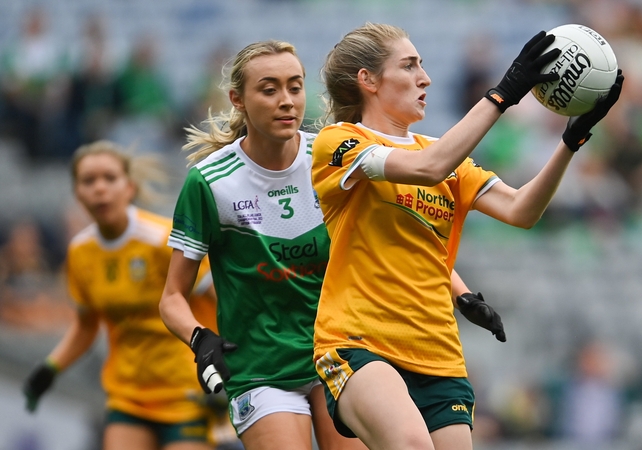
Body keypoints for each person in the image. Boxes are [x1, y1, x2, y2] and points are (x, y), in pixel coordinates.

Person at [160, 39, 500, 450]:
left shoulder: (333, 156)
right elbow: (173, 296)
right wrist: (200, 339)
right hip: (261, 369)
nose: (286, 101)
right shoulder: (211, 182)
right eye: (269, 90)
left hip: (340, 354)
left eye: (295, 86)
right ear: (238, 100)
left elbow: (398, 237)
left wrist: (461, 294)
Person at [309, 23, 623, 450]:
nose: (426, 77)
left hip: (437, 349)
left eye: (422, 64)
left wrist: (571, 141)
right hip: (360, 342)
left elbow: (520, 210)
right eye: (409, 65)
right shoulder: (341, 143)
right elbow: (426, 168)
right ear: (368, 81)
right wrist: (503, 94)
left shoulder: (446, 155)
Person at [21, 140, 218, 450]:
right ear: (77, 193)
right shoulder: (80, 253)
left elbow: (219, 301)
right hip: (128, 396)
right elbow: (86, 325)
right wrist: (50, 368)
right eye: (89, 181)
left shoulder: (164, 239)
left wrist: (228, 368)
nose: (100, 188)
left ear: (129, 187)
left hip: (186, 392)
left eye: (109, 178)